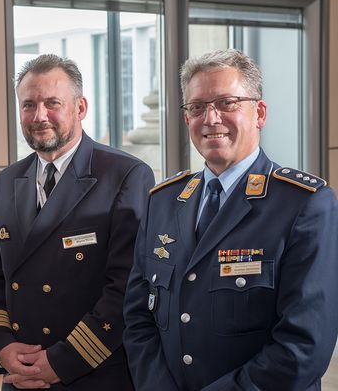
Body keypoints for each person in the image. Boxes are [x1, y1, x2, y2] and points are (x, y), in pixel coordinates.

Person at [123, 49, 338, 390]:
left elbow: (304, 345)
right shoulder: (162, 202)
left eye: (227, 102)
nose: (211, 118)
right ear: (186, 118)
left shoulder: (304, 205)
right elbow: (137, 318)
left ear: (260, 113)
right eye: (197, 107)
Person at [0, 54, 154, 390]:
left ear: (80, 107)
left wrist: (61, 362)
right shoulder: (6, 181)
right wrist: (3, 347)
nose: (39, 116)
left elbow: (128, 288)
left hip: (91, 373)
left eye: (52, 103)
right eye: (28, 105)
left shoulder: (125, 175)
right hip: (22, 375)